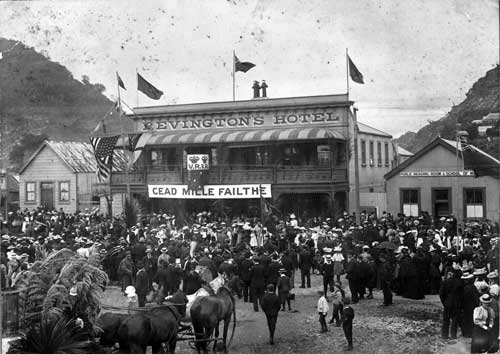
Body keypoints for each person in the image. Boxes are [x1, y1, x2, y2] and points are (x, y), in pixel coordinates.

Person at [439, 270, 463, 339]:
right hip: (456, 303)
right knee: (455, 320)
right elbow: (461, 295)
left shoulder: (445, 282)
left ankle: (445, 335)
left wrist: (444, 302)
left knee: (446, 319)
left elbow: (441, 294)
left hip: (447, 303)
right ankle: (453, 335)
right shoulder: (459, 283)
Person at [462, 272, 480, 338]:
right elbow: (476, 297)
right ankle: (470, 333)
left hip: (465, 306)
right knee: (471, 320)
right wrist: (478, 304)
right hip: (472, 306)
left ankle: (465, 333)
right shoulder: (472, 287)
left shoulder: (463, 287)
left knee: (466, 319)